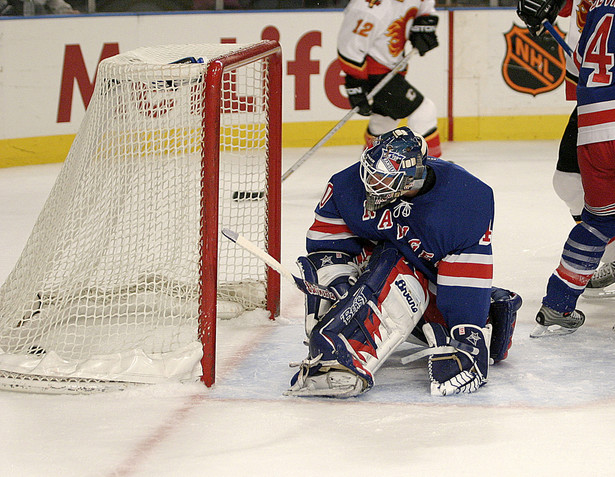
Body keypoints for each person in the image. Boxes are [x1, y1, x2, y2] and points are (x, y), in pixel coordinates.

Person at [285, 127, 521, 398]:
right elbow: (327, 246)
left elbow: (464, 277)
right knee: (348, 267)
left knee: (394, 261)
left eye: (384, 178)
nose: (372, 184)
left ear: (412, 176)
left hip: (432, 284)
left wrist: (468, 335)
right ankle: (340, 339)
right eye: (371, 174)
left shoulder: (465, 198)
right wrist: (340, 283)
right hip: (376, 268)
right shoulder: (347, 185)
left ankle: (345, 355)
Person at [518, 0, 615, 337]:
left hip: (592, 128)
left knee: (597, 222)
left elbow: (577, 63)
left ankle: (557, 303)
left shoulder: (598, 12)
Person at [336, 0, 443, 156]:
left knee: (384, 123)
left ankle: (371, 169)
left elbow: (426, 9)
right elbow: (349, 47)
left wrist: (425, 25)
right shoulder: (368, 8)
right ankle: (436, 170)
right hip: (374, 75)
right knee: (424, 111)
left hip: (393, 70)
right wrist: (355, 84)